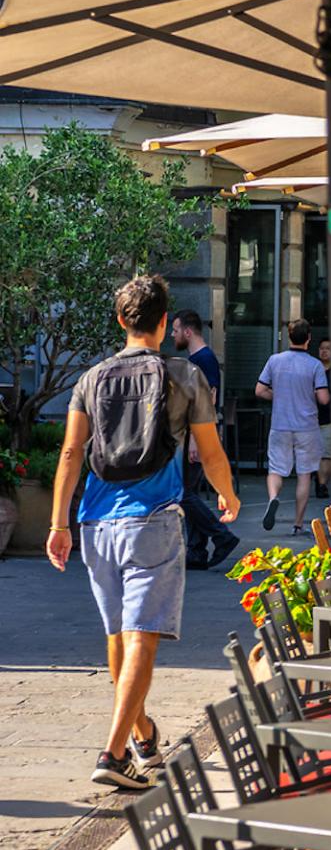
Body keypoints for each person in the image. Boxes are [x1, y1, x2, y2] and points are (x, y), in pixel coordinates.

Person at [47, 274, 239, 789]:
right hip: (151, 520)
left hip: (94, 522)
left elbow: (70, 453)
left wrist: (58, 522)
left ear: (120, 321)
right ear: (162, 322)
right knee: (143, 639)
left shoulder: (91, 378)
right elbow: (211, 450)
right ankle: (113, 755)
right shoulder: (184, 376)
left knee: (118, 635)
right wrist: (228, 494)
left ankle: (145, 736)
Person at [170, 310, 238, 571]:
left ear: (188, 332)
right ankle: (196, 551)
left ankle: (222, 536)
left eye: (175, 330)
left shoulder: (203, 360)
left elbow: (207, 400)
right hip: (195, 434)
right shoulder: (200, 359)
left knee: (182, 493)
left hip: (196, 435)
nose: (172, 335)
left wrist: (198, 440)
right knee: (190, 491)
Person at [256, 319, 329, 535]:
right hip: (307, 427)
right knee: (304, 475)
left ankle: (273, 497)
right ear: (308, 339)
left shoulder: (274, 360)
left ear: (289, 337)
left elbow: (259, 390)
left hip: (280, 425)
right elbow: (324, 398)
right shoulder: (314, 365)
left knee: (276, 469)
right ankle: (298, 524)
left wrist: (277, 395)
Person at [311, 336, 331, 498]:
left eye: (328, 348)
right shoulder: (313, 369)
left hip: (330, 417)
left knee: (326, 454)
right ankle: (318, 478)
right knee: (314, 454)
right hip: (310, 418)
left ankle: (322, 484)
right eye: (322, 348)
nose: (324, 351)